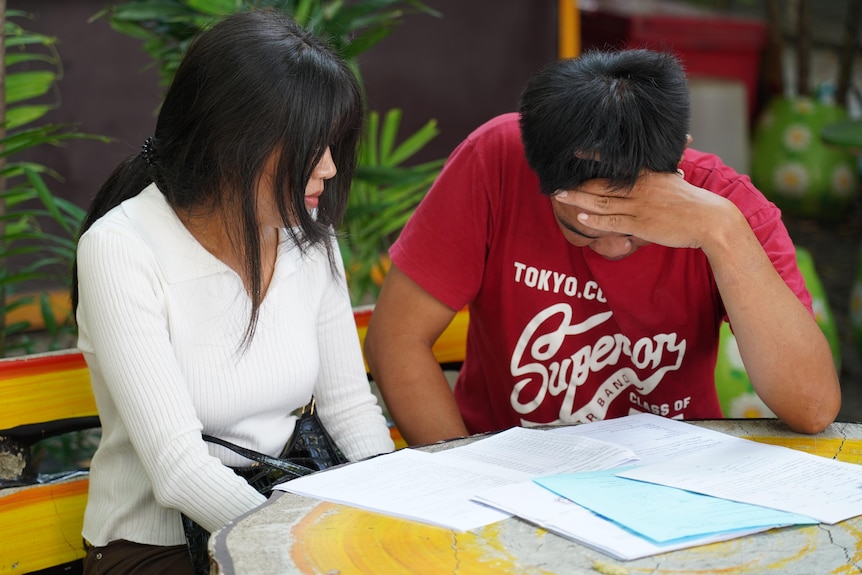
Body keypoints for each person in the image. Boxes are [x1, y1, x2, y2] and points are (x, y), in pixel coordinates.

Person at [364, 49, 841, 446]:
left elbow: (813, 407)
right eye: (587, 228)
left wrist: (721, 233)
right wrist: (466, 480)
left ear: (677, 159)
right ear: (541, 179)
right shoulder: (496, 160)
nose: (612, 248)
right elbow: (397, 339)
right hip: (502, 463)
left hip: (673, 472)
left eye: (638, 225)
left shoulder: (729, 206)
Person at [71, 10, 394, 574]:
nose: (330, 168)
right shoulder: (122, 247)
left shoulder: (308, 239)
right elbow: (177, 468)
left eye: (334, 144)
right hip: (159, 549)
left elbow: (350, 410)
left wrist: (394, 514)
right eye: (310, 146)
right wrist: (296, 550)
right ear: (233, 145)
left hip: (282, 521)